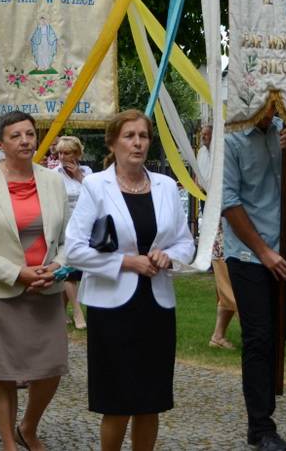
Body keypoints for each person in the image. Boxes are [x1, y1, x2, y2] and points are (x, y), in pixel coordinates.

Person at [65, 110, 195, 451]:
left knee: (151, 400)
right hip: (112, 308)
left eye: (143, 136)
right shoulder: (96, 186)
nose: (138, 143)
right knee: (117, 402)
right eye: (129, 136)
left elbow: (186, 242)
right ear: (113, 143)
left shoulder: (166, 186)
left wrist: (169, 256)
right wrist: (126, 262)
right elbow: (74, 250)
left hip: (157, 305)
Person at [0, 111, 70, 451]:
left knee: (52, 368)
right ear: (1, 143)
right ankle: (9, 442)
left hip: (47, 289)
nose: (25, 141)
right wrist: (17, 273)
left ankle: (27, 427)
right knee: (5, 373)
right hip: (3, 291)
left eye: (30, 134)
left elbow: (69, 239)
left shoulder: (53, 181)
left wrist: (57, 267)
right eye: (16, 135)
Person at [221, 106, 286, 451]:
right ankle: (262, 426)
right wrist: (264, 252)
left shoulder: (284, 131)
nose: (271, 110)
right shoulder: (231, 138)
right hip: (249, 255)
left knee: (276, 336)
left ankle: (261, 419)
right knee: (259, 337)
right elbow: (229, 203)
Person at [199, 122, 237, 350]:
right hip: (223, 231)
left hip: (231, 230)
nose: (204, 137)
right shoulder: (206, 156)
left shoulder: (225, 158)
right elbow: (202, 183)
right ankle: (257, 332)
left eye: (208, 134)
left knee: (228, 286)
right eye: (203, 134)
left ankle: (218, 335)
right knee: (229, 285)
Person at [54, 135, 92, 330]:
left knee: (79, 269)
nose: (62, 157)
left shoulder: (87, 172)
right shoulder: (54, 174)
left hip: (86, 226)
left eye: (67, 152)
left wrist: (78, 176)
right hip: (66, 227)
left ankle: (59, 312)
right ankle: (78, 313)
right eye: (60, 153)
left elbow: (95, 194)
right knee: (69, 271)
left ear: (77, 154)